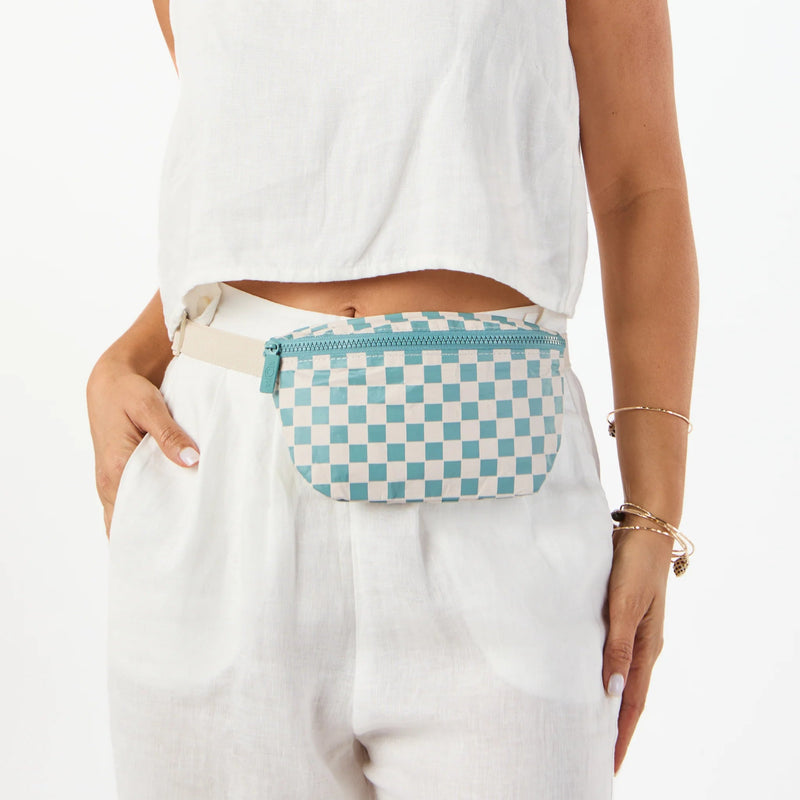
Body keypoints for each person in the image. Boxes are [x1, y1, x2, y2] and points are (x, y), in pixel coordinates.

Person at [86, 1, 698, 797]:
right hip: (218, 474)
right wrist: (127, 358)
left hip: (493, 472)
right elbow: (269, 183)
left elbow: (638, 188)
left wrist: (654, 512)